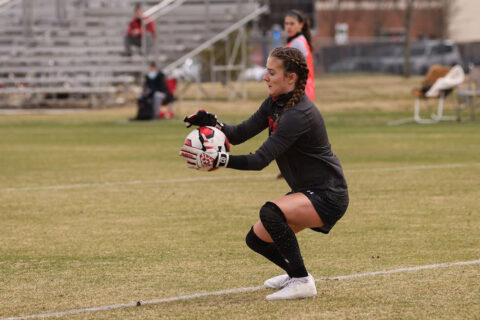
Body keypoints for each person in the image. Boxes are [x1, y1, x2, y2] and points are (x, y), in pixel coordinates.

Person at [180, 47, 349, 300]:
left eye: (271, 72)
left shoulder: (298, 115)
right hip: (308, 192)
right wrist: (213, 122)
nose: (265, 77)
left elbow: (259, 160)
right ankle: (295, 273)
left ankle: (302, 281)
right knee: (256, 239)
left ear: (291, 77)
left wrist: (217, 159)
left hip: (328, 195)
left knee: (270, 212)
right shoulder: (275, 104)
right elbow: (237, 135)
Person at [284, 10, 315, 101]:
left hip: (301, 91)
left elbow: (285, 66)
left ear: (301, 25)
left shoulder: (297, 43)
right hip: (303, 89)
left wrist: (263, 74)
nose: (288, 27)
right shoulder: (297, 41)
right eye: (286, 23)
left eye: (292, 24)